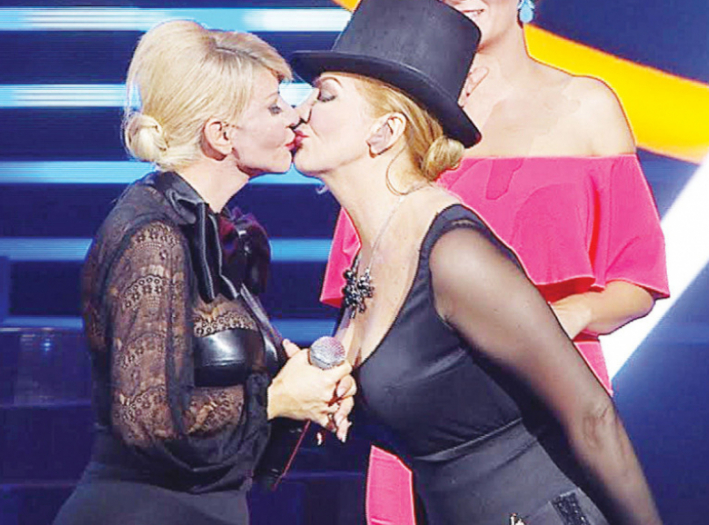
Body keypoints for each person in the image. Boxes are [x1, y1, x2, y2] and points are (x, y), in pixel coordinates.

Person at [289, 0, 663, 522]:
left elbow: (636, 275)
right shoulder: (392, 120)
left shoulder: (586, 106)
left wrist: (561, 315)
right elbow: (370, 299)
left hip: (544, 400)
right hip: (418, 400)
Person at [53, 20, 355, 525]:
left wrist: (302, 387)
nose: (295, 117)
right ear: (221, 134)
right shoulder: (153, 236)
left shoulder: (211, 232)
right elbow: (147, 419)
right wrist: (277, 398)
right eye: (274, 107)